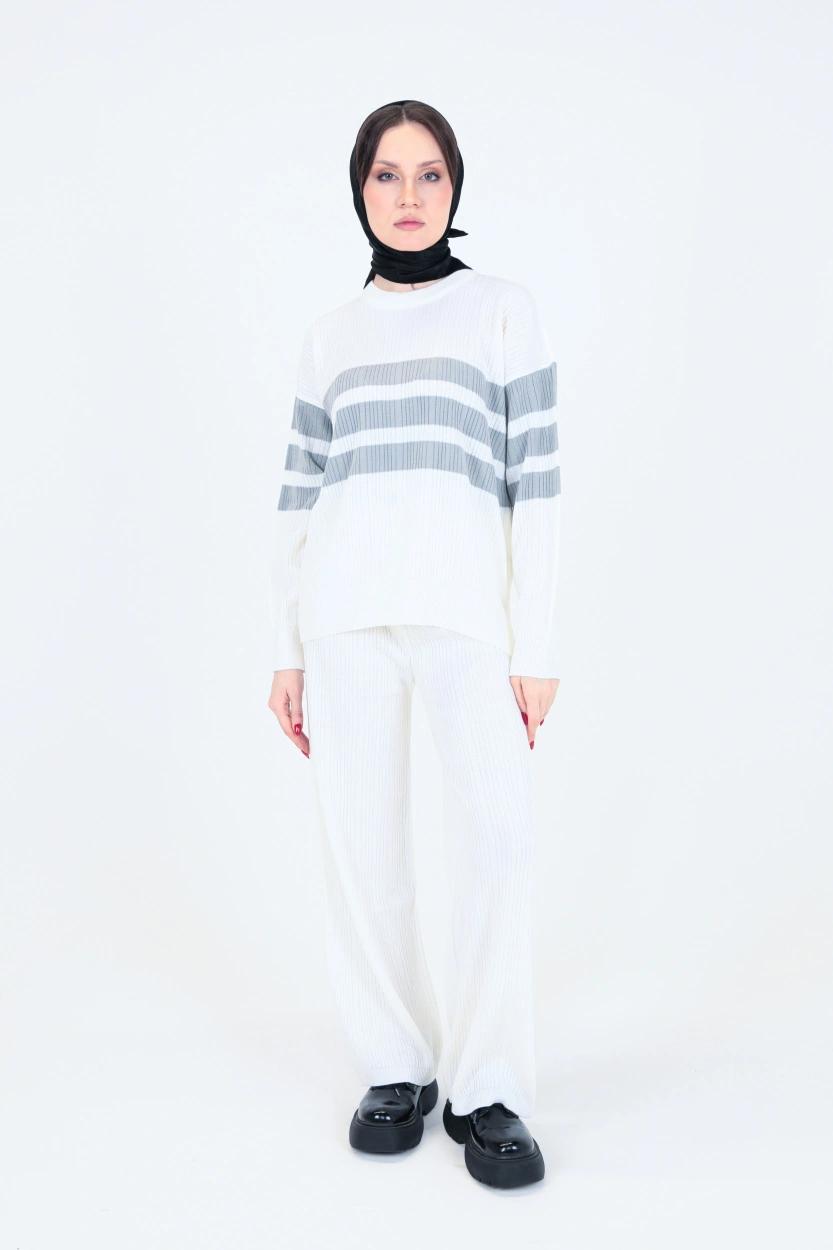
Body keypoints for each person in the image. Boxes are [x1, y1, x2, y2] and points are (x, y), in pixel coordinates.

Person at [267, 99, 560, 1189]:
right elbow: (297, 499)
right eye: (385, 175)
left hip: (468, 620)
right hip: (344, 620)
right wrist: (286, 646)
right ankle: (395, 1066)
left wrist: (536, 645)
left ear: (454, 186)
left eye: (427, 174)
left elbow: (538, 486)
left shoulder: (501, 311)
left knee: (496, 843)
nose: (406, 195)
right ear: (359, 189)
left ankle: (488, 1086)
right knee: (362, 851)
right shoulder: (328, 336)